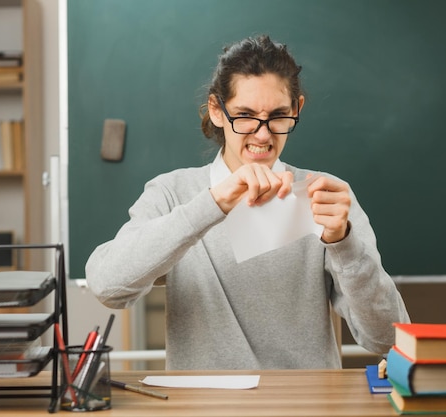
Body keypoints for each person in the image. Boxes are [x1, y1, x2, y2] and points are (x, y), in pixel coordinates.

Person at [86, 34, 410, 370]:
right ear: (216, 111)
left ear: (296, 109)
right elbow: (108, 286)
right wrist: (213, 204)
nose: (263, 135)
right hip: (204, 405)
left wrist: (343, 243)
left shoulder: (325, 197)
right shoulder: (174, 192)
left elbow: (387, 339)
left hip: (304, 404)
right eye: (245, 115)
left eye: (278, 116)